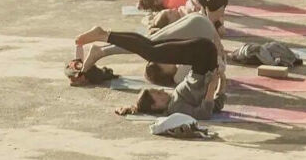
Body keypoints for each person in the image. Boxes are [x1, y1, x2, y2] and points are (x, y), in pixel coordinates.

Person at [74, 26, 227, 119]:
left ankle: (105, 34)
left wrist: (215, 83)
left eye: (158, 91)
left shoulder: (174, 102)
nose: (162, 91)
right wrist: (219, 83)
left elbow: (211, 107)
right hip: (203, 58)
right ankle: (104, 35)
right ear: (155, 107)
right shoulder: (175, 108)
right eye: (158, 94)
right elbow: (207, 112)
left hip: (202, 58)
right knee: (151, 51)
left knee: (151, 46)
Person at [76, 14, 224, 87]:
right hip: (202, 28)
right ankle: (103, 44)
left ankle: (103, 44)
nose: (163, 60)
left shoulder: (179, 75)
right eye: (158, 63)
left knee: (149, 44)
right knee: (150, 46)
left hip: (202, 27)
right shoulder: (180, 74)